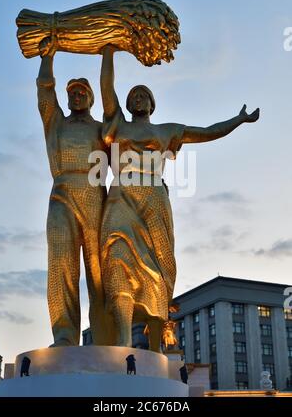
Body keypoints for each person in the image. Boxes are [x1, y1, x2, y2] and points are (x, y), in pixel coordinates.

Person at [100, 45, 260, 352]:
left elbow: (207, 132)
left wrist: (237, 120)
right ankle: (121, 339)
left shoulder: (167, 131)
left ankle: (156, 343)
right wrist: (109, 50)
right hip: (120, 196)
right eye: (133, 95)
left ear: (152, 104)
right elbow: (107, 87)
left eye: (143, 95)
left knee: (161, 266)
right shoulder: (117, 123)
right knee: (116, 255)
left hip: (154, 198)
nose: (137, 98)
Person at [37, 36, 109, 346]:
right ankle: (65, 334)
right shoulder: (57, 124)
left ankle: (107, 335)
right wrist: (47, 56)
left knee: (100, 271)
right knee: (61, 264)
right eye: (72, 93)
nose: (77, 96)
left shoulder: (102, 129)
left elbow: (127, 157)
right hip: (62, 194)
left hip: (95, 196)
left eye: (82, 92)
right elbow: (44, 93)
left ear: (91, 98)